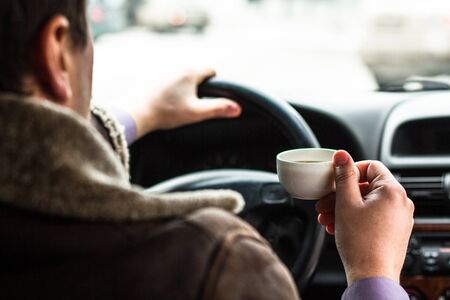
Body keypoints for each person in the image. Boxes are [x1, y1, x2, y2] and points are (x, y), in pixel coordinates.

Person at [0, 1, 414, 299]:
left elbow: (33, 153)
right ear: (56, 53)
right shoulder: (217, 264)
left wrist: (144, 114)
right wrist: (373, 274)